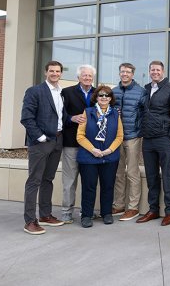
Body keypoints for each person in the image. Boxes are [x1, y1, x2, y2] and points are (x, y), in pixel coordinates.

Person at [20, 60, 67, 235]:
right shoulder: (35, 91)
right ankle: (30, 221)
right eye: (51, 71)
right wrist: (40, 137)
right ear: (46, 72)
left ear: (61, 73)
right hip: (41, 142)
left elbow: (61, 117)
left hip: (57, 141)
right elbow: (26, 118)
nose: (55, 73)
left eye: (57, 71)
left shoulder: (61, 93)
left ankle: (46, 215)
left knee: (48, 179)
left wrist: (74, 118)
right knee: (34, 181)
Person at [137, 60, 170, 226]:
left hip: (164, 138)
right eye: (152, 70)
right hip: (148, 139)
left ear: (162, 71)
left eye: (157, 70)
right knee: (151, 176)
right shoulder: (146, 89)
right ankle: (153, 210)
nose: (155, 72)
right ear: (149, 71)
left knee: (167, 174)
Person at [76, 86, 124, 228]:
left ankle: (106, 213)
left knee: (108, 186)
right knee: (89, 187)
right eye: (101, 95)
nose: (104, 98)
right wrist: (93, 150)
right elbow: (80, 135)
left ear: (110, 98)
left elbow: (120, 136)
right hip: (89, 157)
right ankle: (86, 215)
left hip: (109, 157)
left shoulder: (115, 114)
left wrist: (109, 150)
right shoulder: (87, 112)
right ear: (96, 97)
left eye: (107, 95)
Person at [60, 64, 96, 224]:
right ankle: (67, 212)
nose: (87, 78)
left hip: (92, 144)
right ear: (78, 77)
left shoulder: (99, 93)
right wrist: (71, 118)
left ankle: (86, 211)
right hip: (71, 142)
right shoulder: (67, 92)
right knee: (70, 180)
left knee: (89, 181)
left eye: (90, 76)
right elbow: (59, 113)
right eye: (84, 75)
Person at [112, 62, 147, 221]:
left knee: (132, 172)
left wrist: (141, 130)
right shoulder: (113, 92)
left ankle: (132, 208)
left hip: (133, 137)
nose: (124, 74)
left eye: (128, 72)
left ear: (132, 74)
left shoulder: (141, 92)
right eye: (122, 72)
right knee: (118, 173)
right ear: (119, 73)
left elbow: (146, 114)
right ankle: (118, 205)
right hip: (116, 138)